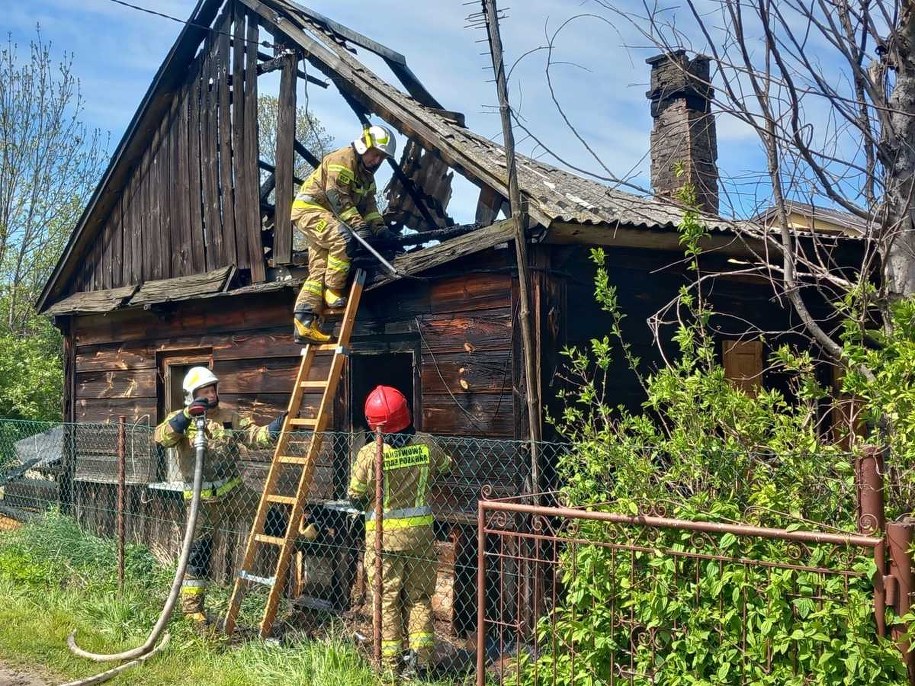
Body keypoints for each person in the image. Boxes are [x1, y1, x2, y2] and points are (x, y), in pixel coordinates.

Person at [153, 366, 285, 628]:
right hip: (200, 502)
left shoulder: (227, 416)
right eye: (205, 390)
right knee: (199, 553)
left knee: (267, 515)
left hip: (233, 491)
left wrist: (274, 428)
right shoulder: (181, 419)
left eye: (213, 388)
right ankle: (193, 611)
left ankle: (297, 541)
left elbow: (253, 436)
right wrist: (186, 417)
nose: (211, 393)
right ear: (192, 394)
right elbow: (161, 438)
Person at [348, 385, 451, 676]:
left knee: (387, 600)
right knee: (419, 598)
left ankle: (390, 666)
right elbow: (446, 468)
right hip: (420, 538)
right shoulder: (427, 444)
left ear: (373, 422)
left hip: (384, 541)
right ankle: (421, 663)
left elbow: (354, 494)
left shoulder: (370, 453)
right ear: (406, 413)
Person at [290, 124, 399, 344]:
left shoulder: (367, 178)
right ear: (363, 145)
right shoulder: (342, 161)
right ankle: (334, 289)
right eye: (375, 154)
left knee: (320, 268)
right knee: (343, 238)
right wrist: (359, 227)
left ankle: (304, 323)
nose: (377, 161)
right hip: (309, 210)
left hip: (326, 217)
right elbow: (339, 200)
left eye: (382, 158)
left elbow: (369, 207)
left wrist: (380, 229)